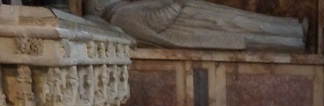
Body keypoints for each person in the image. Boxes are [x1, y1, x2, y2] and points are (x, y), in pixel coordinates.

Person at [85, 0, 306, 51]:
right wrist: (177, 4)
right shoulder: (120, 16)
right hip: (193, 25)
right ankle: (293, 37)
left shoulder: (122, 10)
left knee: (246, 21)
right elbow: (156, 22)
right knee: (244, 26)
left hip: (193, 17)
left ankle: (293, 30)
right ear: (97, 6)